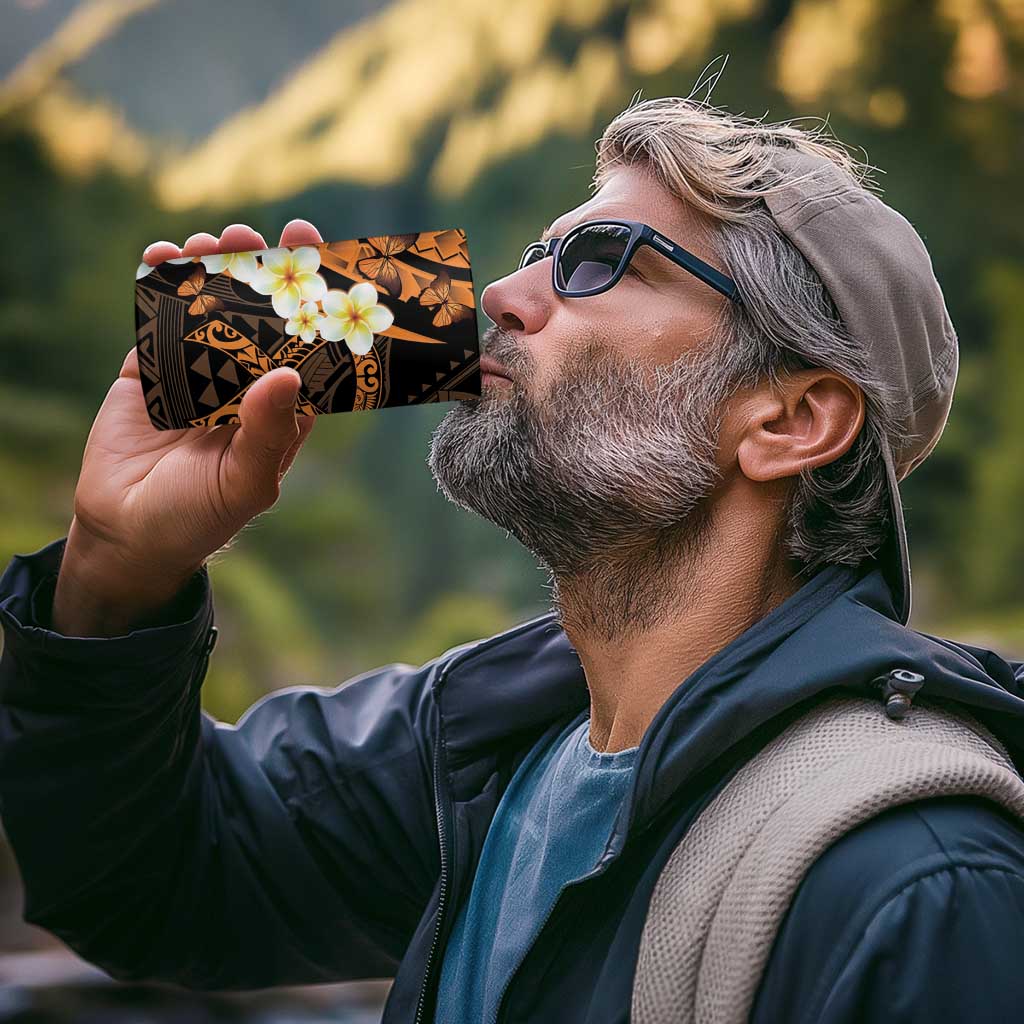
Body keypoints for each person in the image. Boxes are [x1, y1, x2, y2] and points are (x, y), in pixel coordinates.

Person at [2, 94, 1024, 1024]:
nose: (499, 292)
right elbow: (149, 879)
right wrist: (116, 573)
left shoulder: (919, 886)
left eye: (601, 261)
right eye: (541, 251)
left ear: (790, 421)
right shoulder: (483, 745)